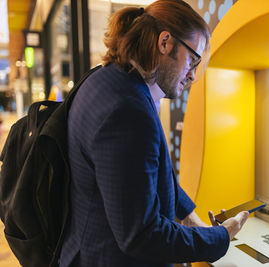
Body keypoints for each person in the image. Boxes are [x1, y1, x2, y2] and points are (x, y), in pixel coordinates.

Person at [59, 1, 249, 266]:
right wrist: (221, 237)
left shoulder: (108, 80)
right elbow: (141, 235)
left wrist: (189, 216)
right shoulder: (128, 110)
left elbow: (143, 174)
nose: (193, 76)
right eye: (193, 60)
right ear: (165, 43)